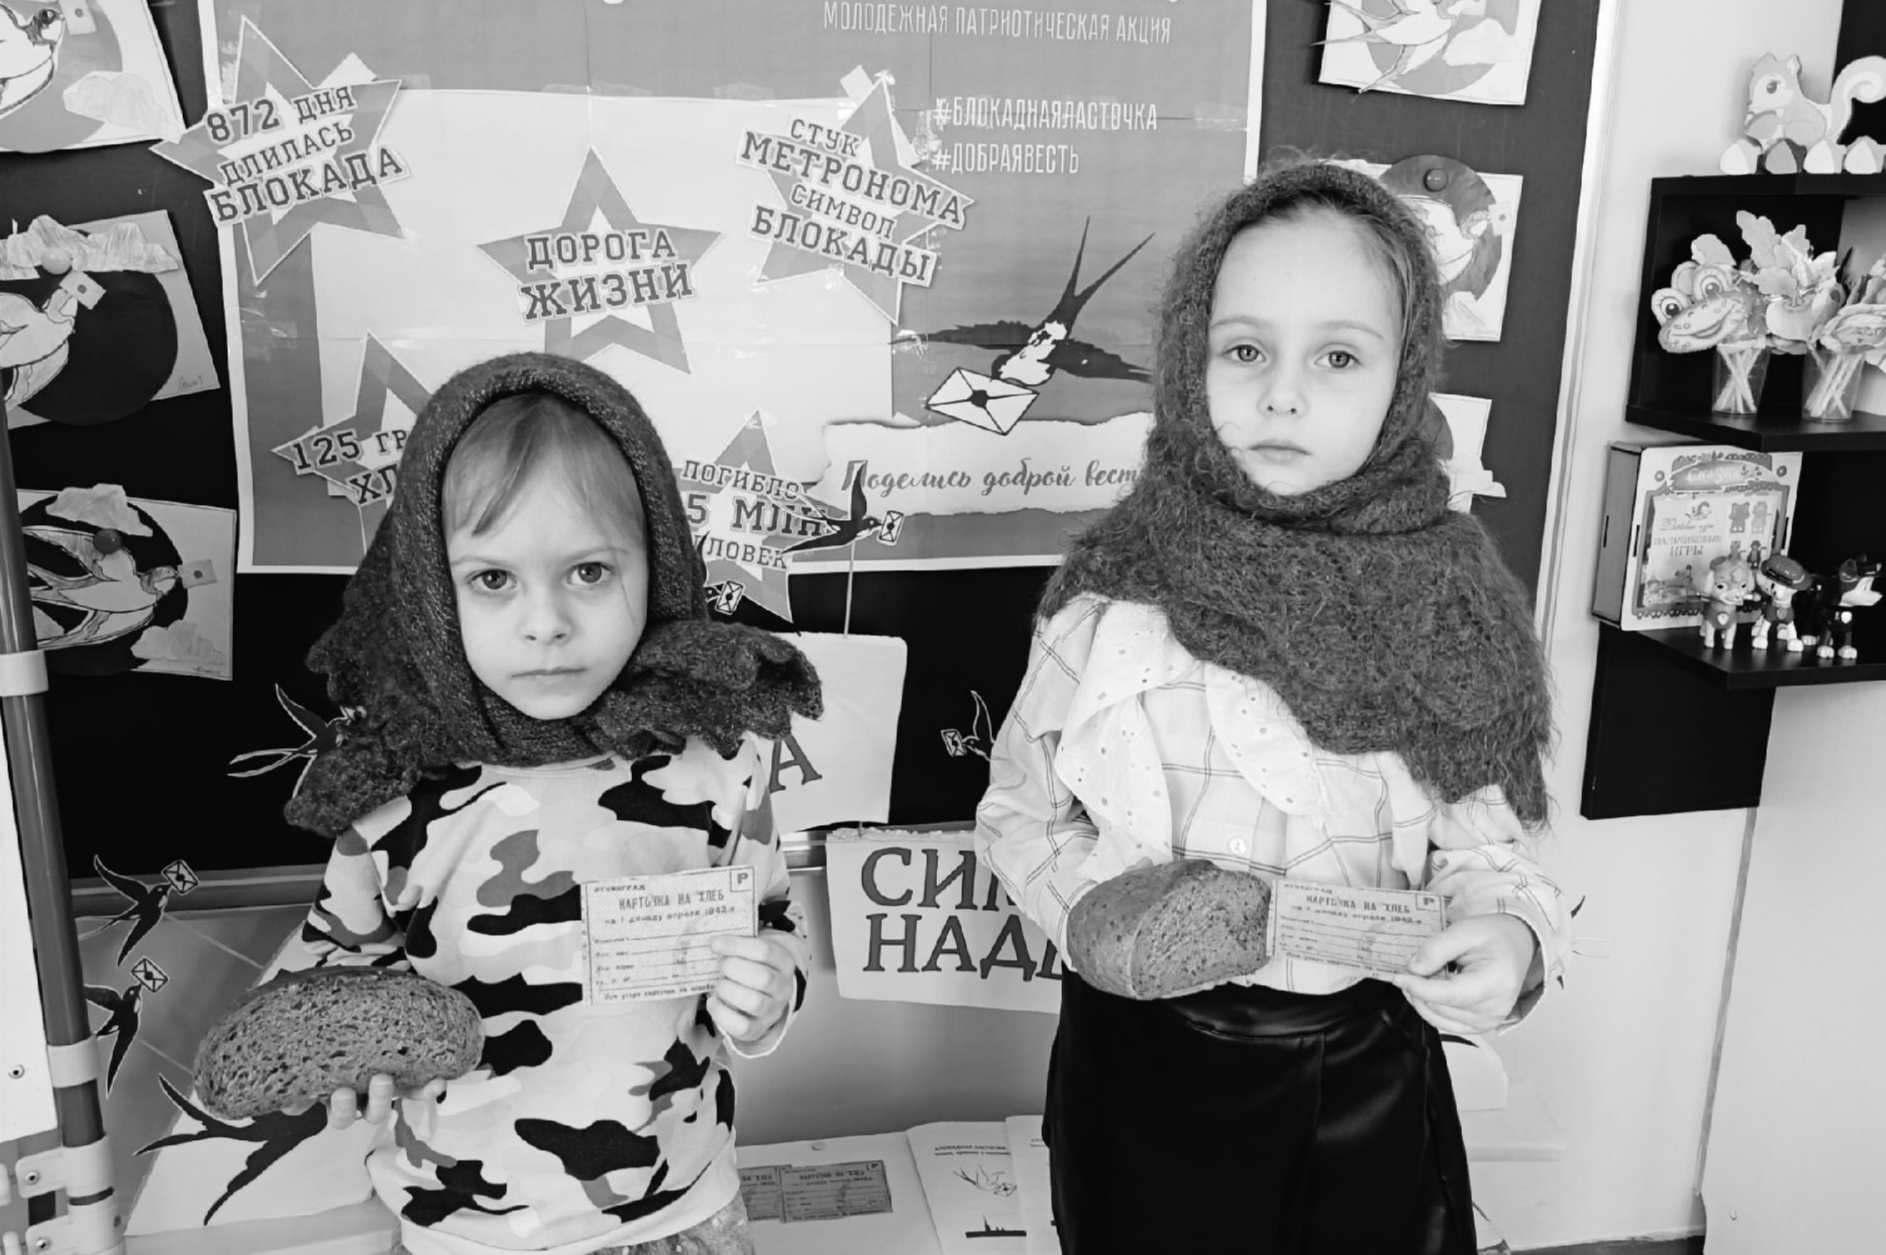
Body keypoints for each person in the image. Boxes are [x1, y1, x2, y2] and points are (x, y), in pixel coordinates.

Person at [974, 160, 1569, 1255]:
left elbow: (1489, 847)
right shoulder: (1109, 601)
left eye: (1338, 356)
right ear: (1188, 359)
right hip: (1137, 1069)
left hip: (1358, 1075)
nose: (1282, 395)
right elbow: (1020, 810)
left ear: (1403, 377)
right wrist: (1100, 918)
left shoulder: (1450, 609)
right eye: (1244, 350)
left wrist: (1510, 936)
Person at [284, 352, 824, 1255]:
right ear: (430, 590)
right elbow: (337, 971)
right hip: (464, 1230)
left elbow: (772, 919)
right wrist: (343, 1057)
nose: (546, 624)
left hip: (680, 1211)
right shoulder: (389, 791)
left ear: (657, 564)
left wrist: (771, 993)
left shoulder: (720, 759)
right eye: (493, 579)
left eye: (589, 572)